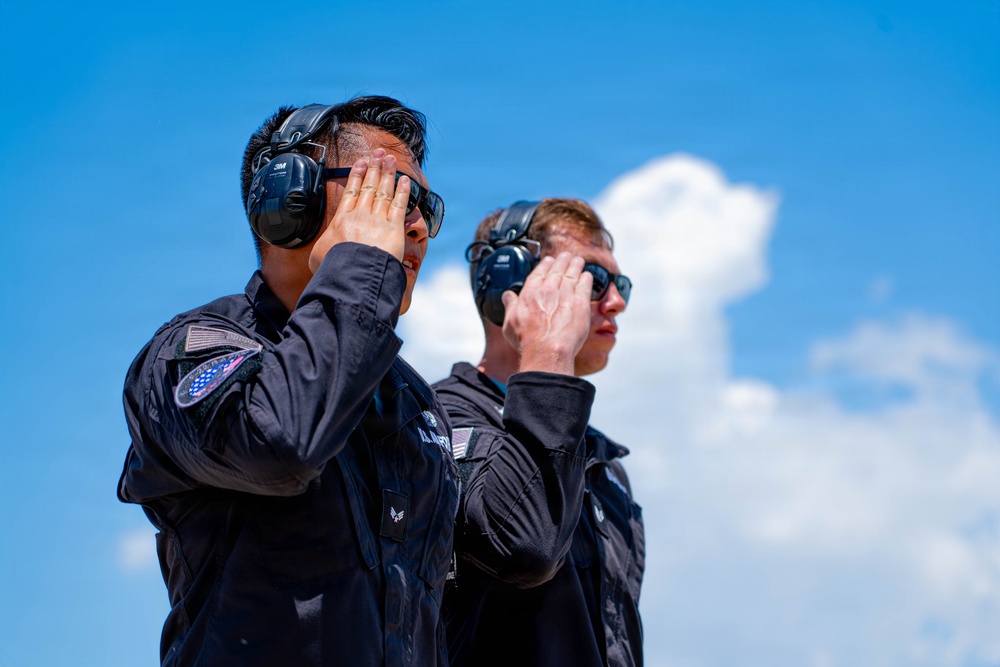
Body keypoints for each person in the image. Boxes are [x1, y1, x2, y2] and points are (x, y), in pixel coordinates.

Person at [117, 97, 458, 667]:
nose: (418, 226)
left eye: (427, 206)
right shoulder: (191, 350)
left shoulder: (415, 403)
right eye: (394, 193)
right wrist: (360, 264)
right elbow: (281, 443)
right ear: (289, 200)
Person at [434, 198, 645, 667]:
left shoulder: (607, 468)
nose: (617, 302)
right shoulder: (439, 424)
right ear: (509, 283)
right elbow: (527, 549)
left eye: (622, 285)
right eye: (592, 279)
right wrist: (548, 349)